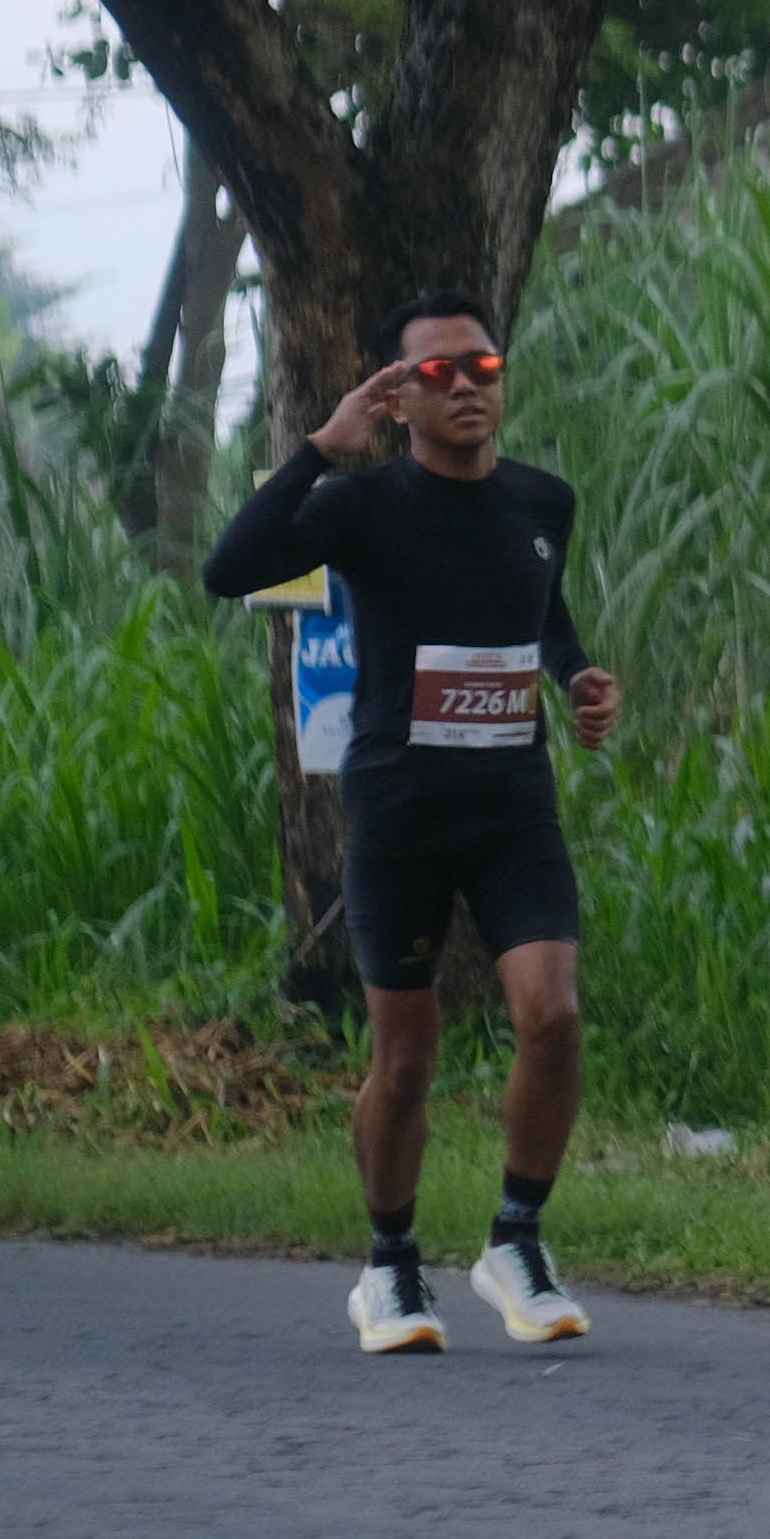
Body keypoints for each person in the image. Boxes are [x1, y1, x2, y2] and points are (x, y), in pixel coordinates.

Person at [205, 290, 623, 1355]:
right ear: (399, 398)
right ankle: (389, 1266)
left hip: (513, 806)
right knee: (404, 1063)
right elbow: (228, 569)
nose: (467, 386)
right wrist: (320, 447)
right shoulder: (361, 507)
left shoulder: (544, 501)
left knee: (553, 1017)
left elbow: (541, 609)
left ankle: (515, 1241)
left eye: (483, 367)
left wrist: (577, 675)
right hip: (399, 810)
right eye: (438, 373)